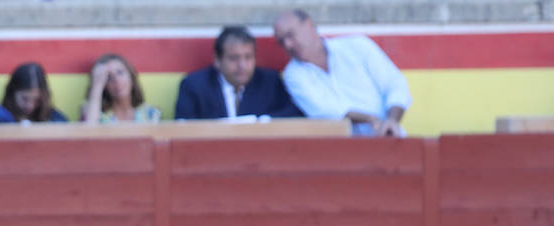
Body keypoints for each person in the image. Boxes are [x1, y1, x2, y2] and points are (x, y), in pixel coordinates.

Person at [273, 9, 411, 136]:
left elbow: (395, 85)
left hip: (389, 140)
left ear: (309, 24)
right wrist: (372, 120)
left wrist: (392, 121)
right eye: (282, 41)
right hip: (342, 153)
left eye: (290, 35)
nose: (287, 45)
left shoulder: (358, 46)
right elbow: (327, 112)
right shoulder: (293, 75)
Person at [175, 26, 303, 120]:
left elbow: (293, 113)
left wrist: (263, 122)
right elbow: (183, 127)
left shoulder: (271, 81)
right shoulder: (193, 85)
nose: (242, 65)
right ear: (217, 60)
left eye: (248, 57)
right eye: (234, 58)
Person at [80, 53, 161, 124]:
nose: (116, 80)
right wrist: (97, 87)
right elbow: (88, 134)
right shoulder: (95, 113)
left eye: (120, 72)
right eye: (108, 77)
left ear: (131, 76)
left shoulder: (150, 113)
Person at [0, 62, 68, 122]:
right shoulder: (0, 118)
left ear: (44, 96)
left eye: (37, 100)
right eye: (24, 98)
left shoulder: (55, 120)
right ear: (12, 94)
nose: (30, 106)